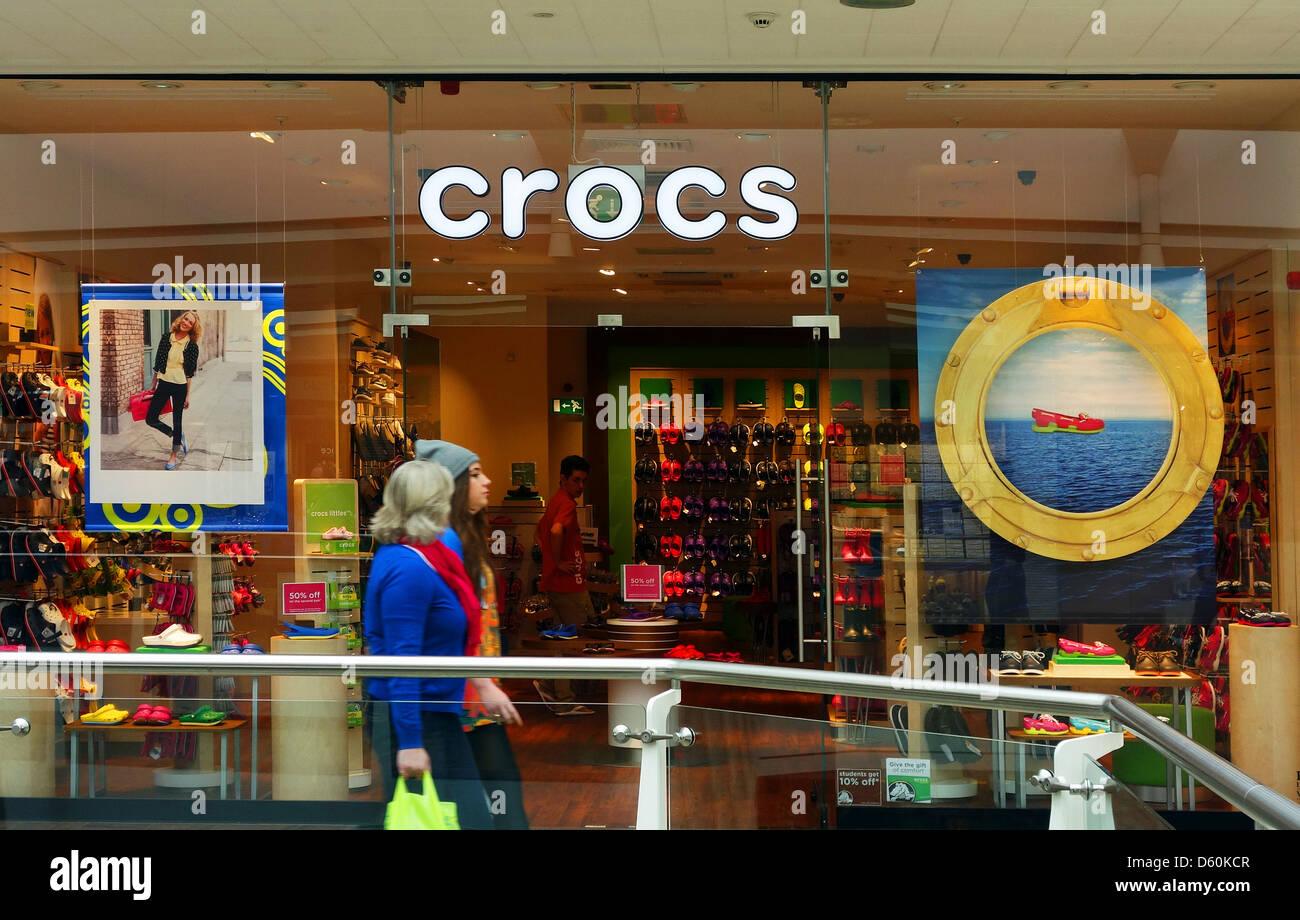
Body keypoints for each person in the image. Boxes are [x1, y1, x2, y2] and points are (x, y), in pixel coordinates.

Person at [365, 459, 520, 830]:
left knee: (460, 819)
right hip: (413, 715)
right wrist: (410, 742)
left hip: (438, 709)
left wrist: (482, 684)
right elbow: (401, 663)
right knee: (446, 819)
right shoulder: (408, 567)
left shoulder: (438, 549)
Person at [417, 439, 530, 829]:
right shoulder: (438, 546)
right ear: (451, 485)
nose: (488, 481)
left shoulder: (466, 539)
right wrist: (482, 684)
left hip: (477, 700)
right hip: (457, 701)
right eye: (476, 474)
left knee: (498, 802)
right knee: (486, 806)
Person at [533, 454, 596, 715]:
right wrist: (558, 562)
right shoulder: (566, 505)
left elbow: (541, 532)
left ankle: (551, 686)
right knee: (579, 639)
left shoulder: (555, 502)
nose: (580, 486)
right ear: (563, 478)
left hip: (555, 582)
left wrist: (551, 560)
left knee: (561, 640)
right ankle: (564, 699)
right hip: (568, 585)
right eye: (576, 480)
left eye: (583, 481)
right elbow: (556, 531)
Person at [146, 309, 200, 470]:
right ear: (181, 319)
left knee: (178, 420)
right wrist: (153, 383)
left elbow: (189, 373)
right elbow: (158, 362)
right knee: (151, 418)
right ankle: (175, 435)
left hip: (180, 386)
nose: (186, 323)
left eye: (190, 322)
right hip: (164, 383)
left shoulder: (192, 346)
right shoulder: (166, 337)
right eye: (186, 319)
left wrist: (188, 395)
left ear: (192, 327)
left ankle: (174, 455)